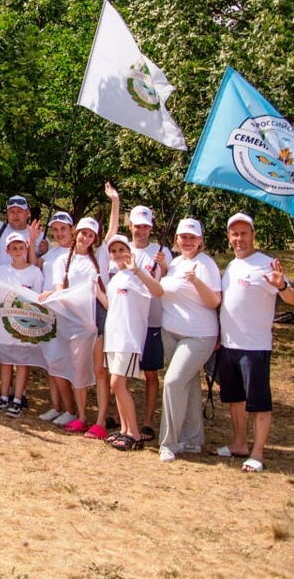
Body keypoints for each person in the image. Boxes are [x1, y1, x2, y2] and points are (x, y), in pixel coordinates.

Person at [213, 212, 294, 473]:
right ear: (229, 238)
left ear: (253, 235)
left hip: (255, 347)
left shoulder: (267, 264)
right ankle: (239, 443)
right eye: (234, 234)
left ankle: (258, 453)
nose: (239, 239)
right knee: (235, 399)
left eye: (244, 233)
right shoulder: (232, 266)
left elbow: (293, 300)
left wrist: (282, 285)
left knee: (258, 402)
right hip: (229, 346)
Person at [105, 185, 171, 442]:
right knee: (118, 382)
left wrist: (161, 267)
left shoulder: (155, 255)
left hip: (144, 326)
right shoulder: (118, 268)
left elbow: (161, 289)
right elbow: (111, 298)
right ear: (130, 226)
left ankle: (141, 426)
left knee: (143, 376)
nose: (140, 229)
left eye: (145, 226)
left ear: (151, 228)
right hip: (119, 331)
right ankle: (125, 428)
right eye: (136, 225)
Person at [157, 218, 222, 463]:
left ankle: (168, 443)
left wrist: (196, 281)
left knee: (173, 382)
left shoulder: (205, 265)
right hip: (171, 333)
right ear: (176, 240)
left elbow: (214, 301)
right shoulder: (175, 263)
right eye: (183, 237)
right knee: (188, 384)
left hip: (198, 336)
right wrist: (163, 270)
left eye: (192, 238)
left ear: (201, 241)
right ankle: (193, 440)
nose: (187, 241)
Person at [47, 216, 110, 436]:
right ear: (76, 233)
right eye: (83, 233)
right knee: (78, 369)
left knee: (100, 370)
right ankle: (82, 416)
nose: (86, 238)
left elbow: (111, 231)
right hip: (73, 319)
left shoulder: (100, 257)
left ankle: (100, 421)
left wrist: (115, 202)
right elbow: (59, 291)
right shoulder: (61, 261)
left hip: (97, 317)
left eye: (91, 235)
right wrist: (48, 295)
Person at [102, 234, 164, 450]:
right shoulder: (116, 278)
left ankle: (135, 434)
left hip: (129, 339)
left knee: (117, 384)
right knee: (117, 387)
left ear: (130, 252)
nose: (118, 254)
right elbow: (113, 306)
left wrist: (138, 270)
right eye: (114, 251)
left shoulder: (138, 275)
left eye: (122, 249)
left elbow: (158, 291)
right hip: (113, 339)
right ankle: (125, 430)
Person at [0, 231, 44, 416]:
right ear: (7, 251)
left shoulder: (34, 272)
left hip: (25, 325)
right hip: (6, 325)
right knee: (6, 360)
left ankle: (17, 399)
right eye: (14, 248)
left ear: (26, 248)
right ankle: (4, 396)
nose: (18, 251)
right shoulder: (1, 271)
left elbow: (39, 299)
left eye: (21, 247)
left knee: (22, 362)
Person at [33, 210, 75, 420]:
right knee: (50, 362)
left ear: (72, 230)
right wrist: (34, 244)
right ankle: (56, 406)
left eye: (63, 229)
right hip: (46, 313)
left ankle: (70, 410)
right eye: (55, 230)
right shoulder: (50, 253)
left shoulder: (77, 254)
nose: (59, 233)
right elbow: (33, 267)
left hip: (66, 314)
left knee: (60, 362)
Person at [0, 168, 46, 269]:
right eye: (12, 211)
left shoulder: (40, 236)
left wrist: (46, 251)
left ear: (28, 213)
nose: (15, 215)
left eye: (19, 211)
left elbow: (43, 266)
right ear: (7, 214)